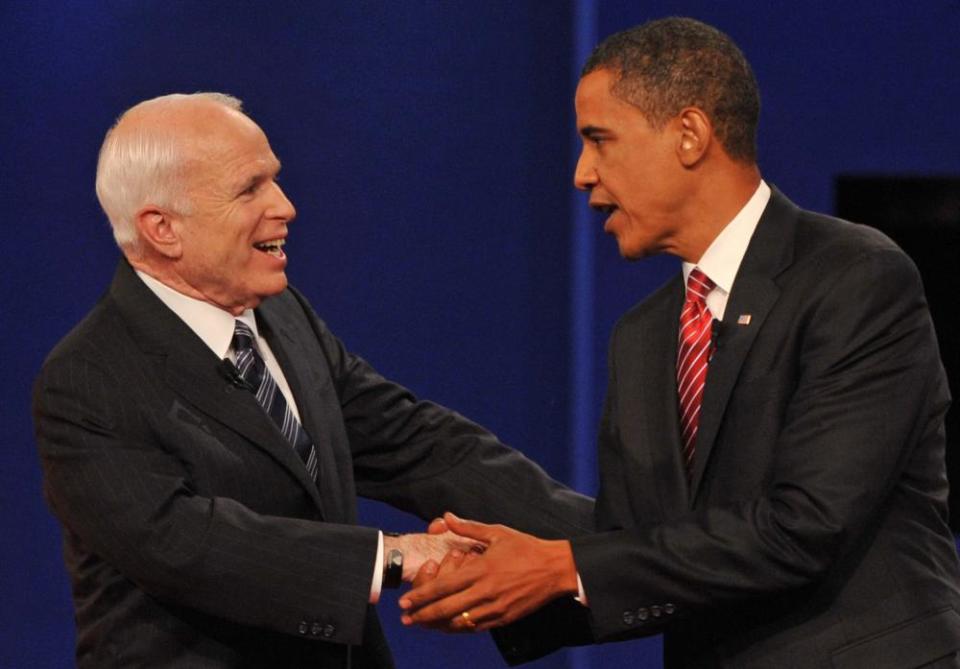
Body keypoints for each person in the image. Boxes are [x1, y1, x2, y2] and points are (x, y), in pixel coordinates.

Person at [400, 16, 960, 668]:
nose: (582, 174)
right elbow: (651, 549)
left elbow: (807, 525)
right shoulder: (641, 336)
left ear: (689, 134)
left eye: (599, 140)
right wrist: (500, 574)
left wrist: (561, 563)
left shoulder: (854, 276)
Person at [32, 92, 593, 668]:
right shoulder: (87, 379)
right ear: (163, 229)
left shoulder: (280, 314)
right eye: (250, 189)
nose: (286, 205)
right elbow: (189, 546)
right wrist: (394, 557)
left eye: (274, 180)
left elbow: (416, 444)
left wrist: (608, 544)